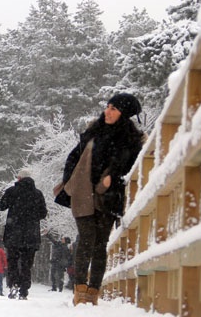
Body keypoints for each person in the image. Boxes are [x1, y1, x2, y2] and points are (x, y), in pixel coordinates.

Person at [60, 93, 144, 306]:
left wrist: (112, 177)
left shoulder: (131, 141)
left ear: (124, 114)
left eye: (114, 109)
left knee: (100, 244)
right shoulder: (93, 133)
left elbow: (129, 167)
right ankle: (80, 291)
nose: (107, 111)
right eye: (107, 106)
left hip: (109, 197)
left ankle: (93, 292)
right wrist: (72, 180)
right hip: (83, 193)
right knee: (87, 239)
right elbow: (73, 157)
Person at [0, 169, 47, 300]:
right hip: (31, 235)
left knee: (12, 261)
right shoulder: (37, 194)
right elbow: (43, 213)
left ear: (19, 179)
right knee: (27, 264)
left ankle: (14, 284)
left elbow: (1, 206)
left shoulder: (12, 192)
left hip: (14, 233)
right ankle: (24, 290)